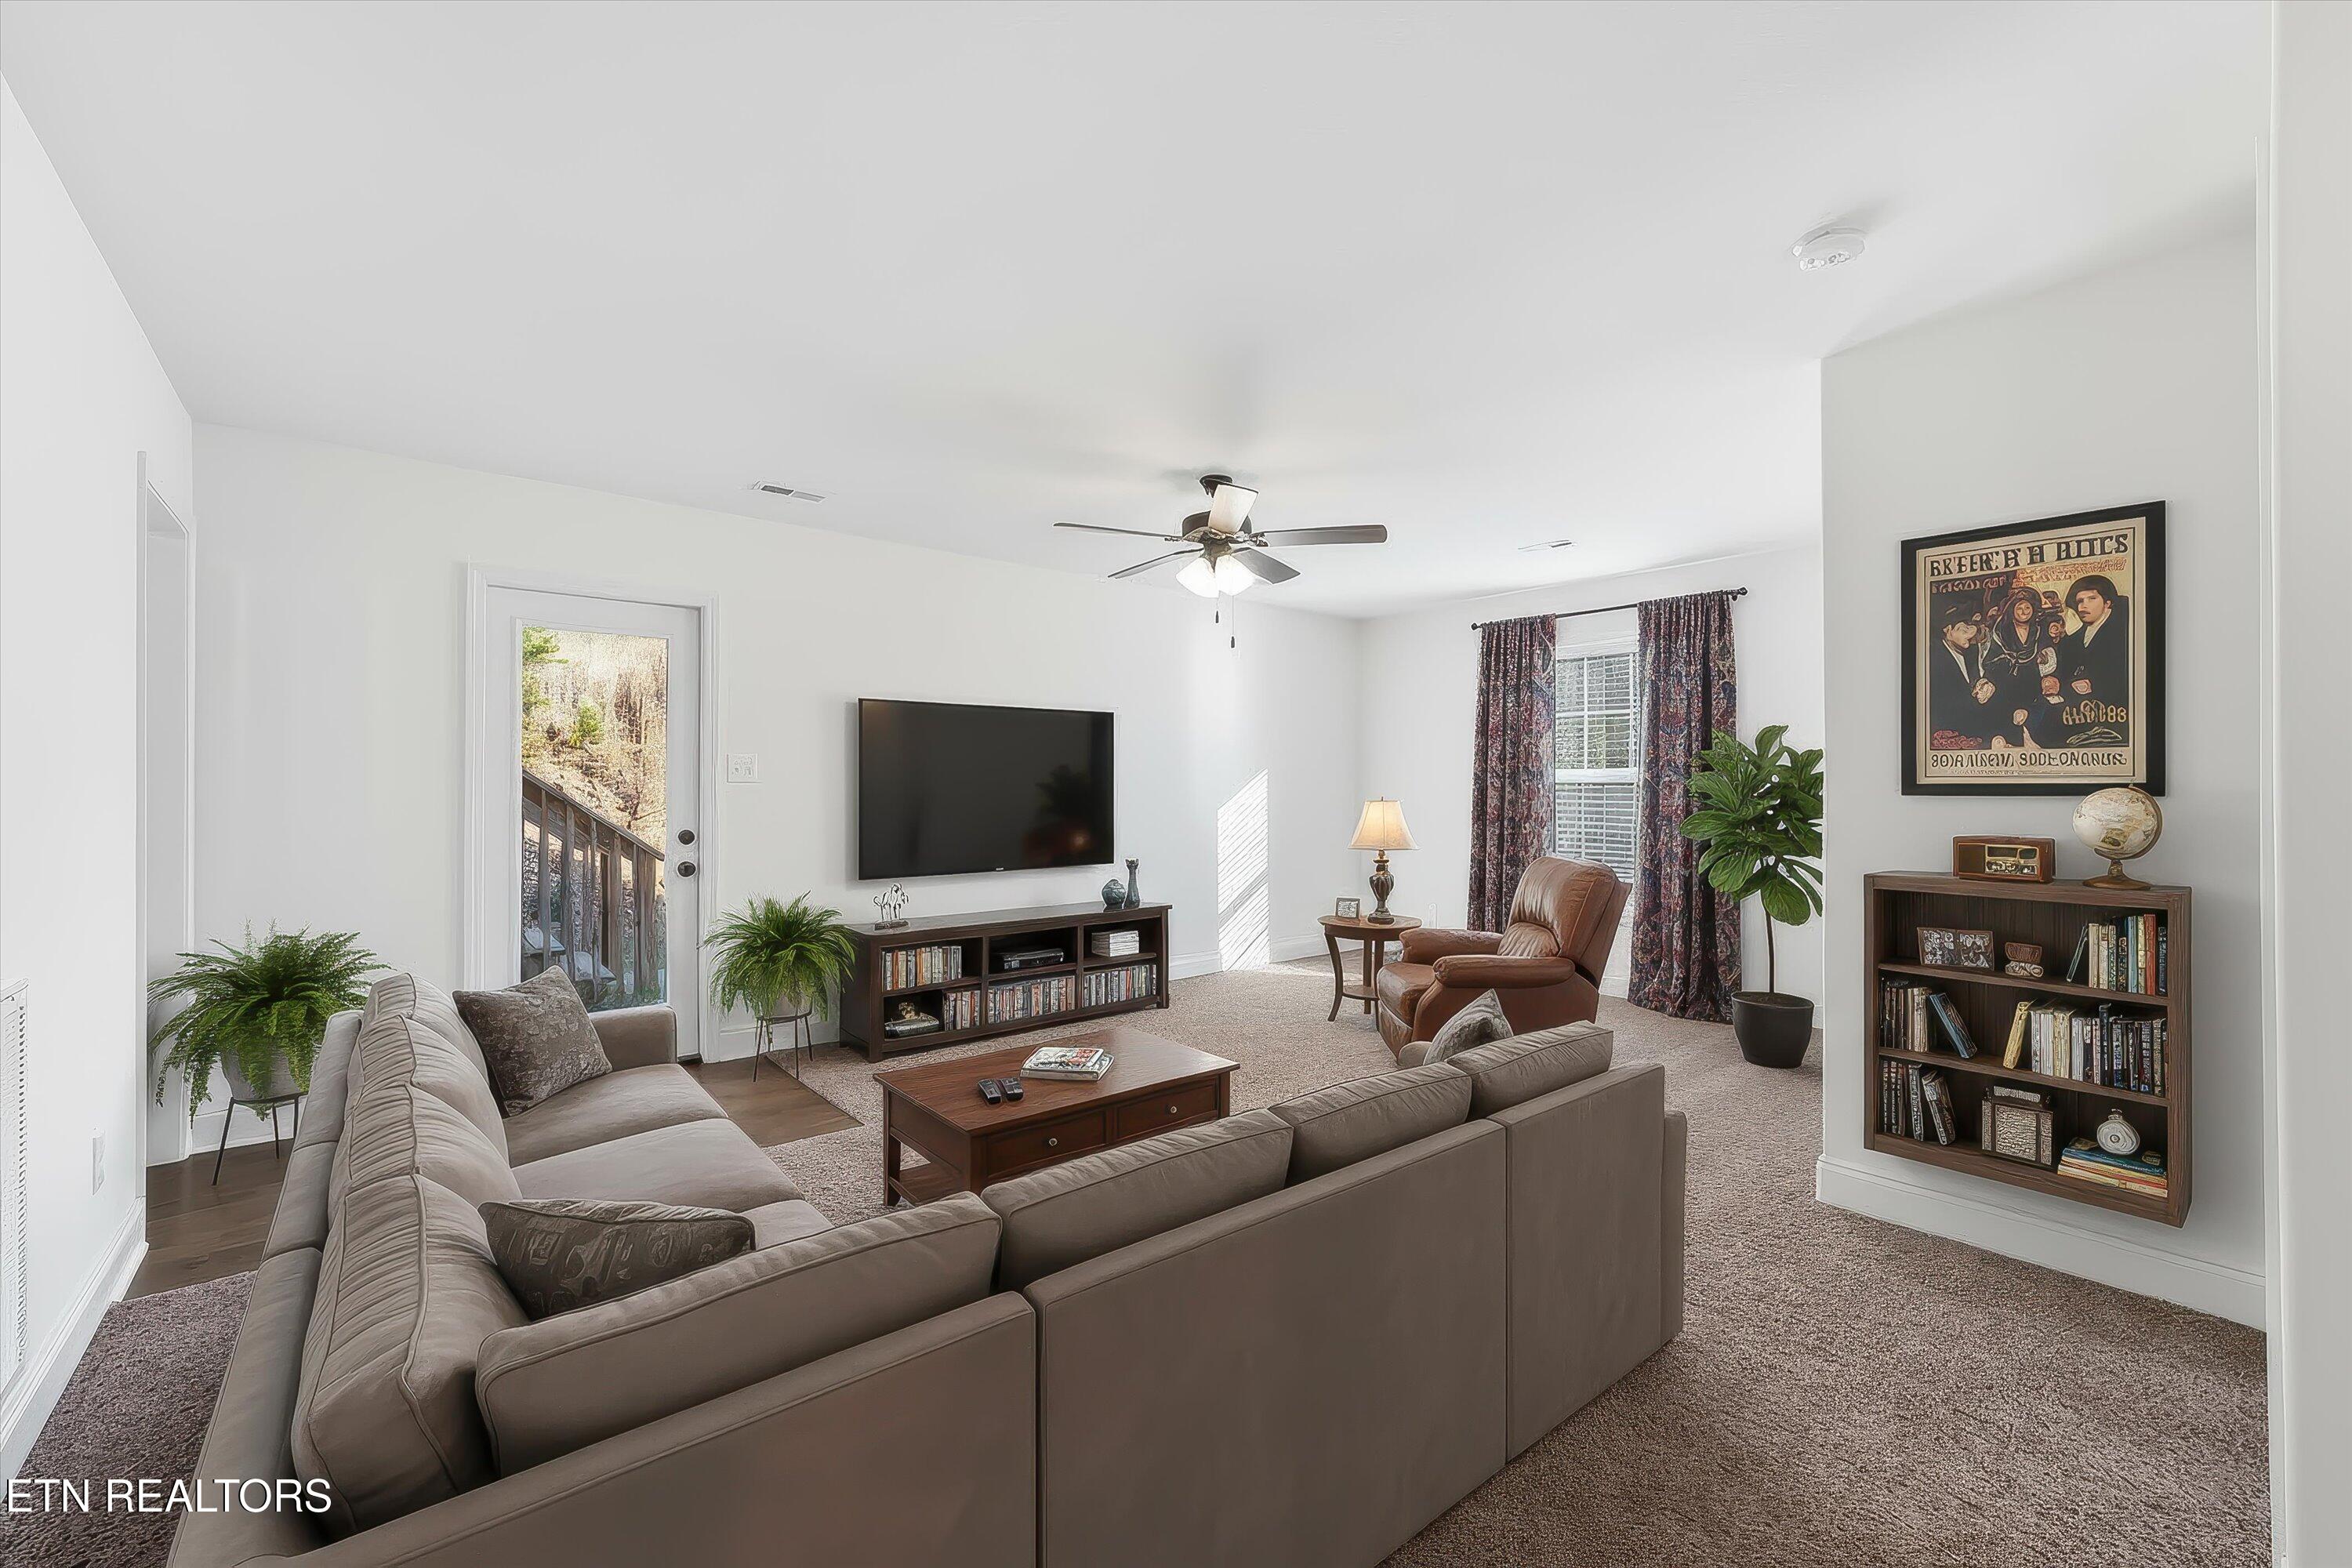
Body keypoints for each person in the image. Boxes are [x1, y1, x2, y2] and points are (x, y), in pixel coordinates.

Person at [1926, 597, 1999, 748]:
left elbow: (1983, 673)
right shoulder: (1933, 656)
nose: (1969, 634)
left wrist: (1987, 683)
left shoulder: (1971, 651)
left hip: (1977, 731)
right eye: (1963, 630)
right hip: (1947, 734)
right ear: (1948, 631)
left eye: (1970, 628)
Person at [2057, 573, 2132, 716]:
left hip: (2116, 709)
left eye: (2092, 599)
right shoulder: (2074, 637)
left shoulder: (2124, 631)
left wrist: (2094, 685)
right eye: (2080, 601)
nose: (2083, 606)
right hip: (2077, 708)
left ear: (2107, 603)